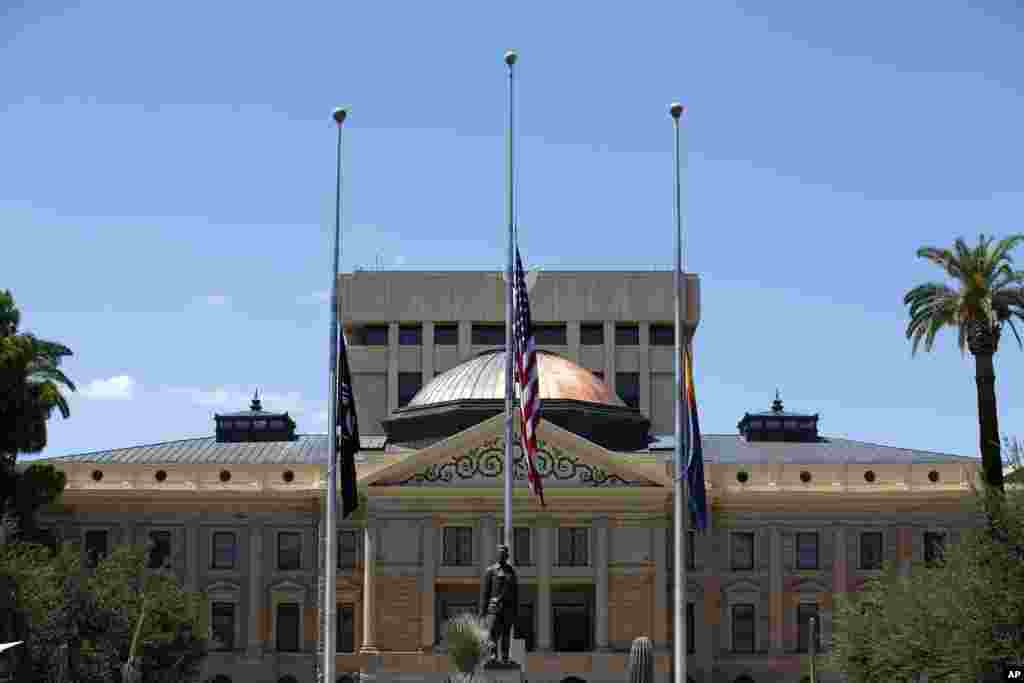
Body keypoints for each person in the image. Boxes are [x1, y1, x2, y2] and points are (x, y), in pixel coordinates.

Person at [479, 544, 518, 664]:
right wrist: (482, 611)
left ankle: (505, 657)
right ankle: (493, 656)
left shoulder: (511, 571)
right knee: (493, 634)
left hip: (507, 608)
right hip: (494, 609)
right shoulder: (490, 571)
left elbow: (515, 592)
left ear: (507, 556)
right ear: (497, 555)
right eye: (500, 553)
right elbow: (485, 593)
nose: (502, 555)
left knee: (506, 634)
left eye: (504, 554)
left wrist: (515, 610)